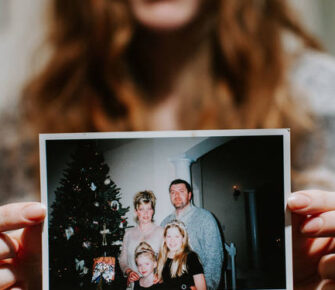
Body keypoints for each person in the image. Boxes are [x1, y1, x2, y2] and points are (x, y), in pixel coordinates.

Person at [1, 0, 335, 289]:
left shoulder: (316, 98)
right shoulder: (26, 122)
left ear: (188, 194)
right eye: (170, 193)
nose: (173, 198)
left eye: (179, 192)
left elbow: (210, 266)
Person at [161, 179, 223, 289]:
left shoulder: (205, 218)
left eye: (181, 191)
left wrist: (208, 286)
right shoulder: (165, 222)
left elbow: (214, 256)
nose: (176, 195)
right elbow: (161, 255)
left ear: (189, 195)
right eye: (173, 192)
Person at [119, 190, 164, 288]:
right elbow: (122, 259)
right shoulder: (128, 233)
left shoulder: (161, 232)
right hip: (133, 285)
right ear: (136, 211)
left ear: (153, 210)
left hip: (154, 285)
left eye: (149, 209)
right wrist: (129, 271)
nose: (146, 213)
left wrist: (161, 274)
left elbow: (166, 259)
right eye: (141, 209)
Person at [157, 220, 206, 290]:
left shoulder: (191, 257)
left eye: (176, 236)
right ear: (164, 238)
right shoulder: (161, 257)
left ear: (183, 238)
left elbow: (202, 288)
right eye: (169, 236)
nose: (172, 240)